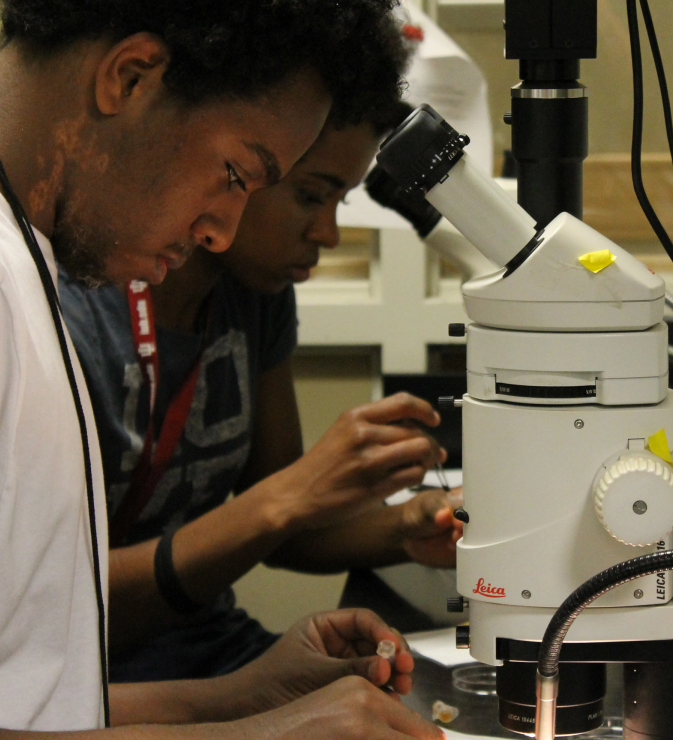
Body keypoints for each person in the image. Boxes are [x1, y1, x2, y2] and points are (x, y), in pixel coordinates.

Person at [0, 0, 445, 738]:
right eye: (234, 174)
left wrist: (246, 698)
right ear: (131, 77)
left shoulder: (7, 250)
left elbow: (21, 702)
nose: (222, 231)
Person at [60, 100, 463, 683]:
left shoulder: (255, 297)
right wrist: (294, 493)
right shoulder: (76, 314)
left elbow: (287, 535)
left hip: (206, 648)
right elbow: (55, 609)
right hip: (84, 676)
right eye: (310, 195)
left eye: (339, 201)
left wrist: (409, 525)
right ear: (241, 167)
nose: (326, 232)